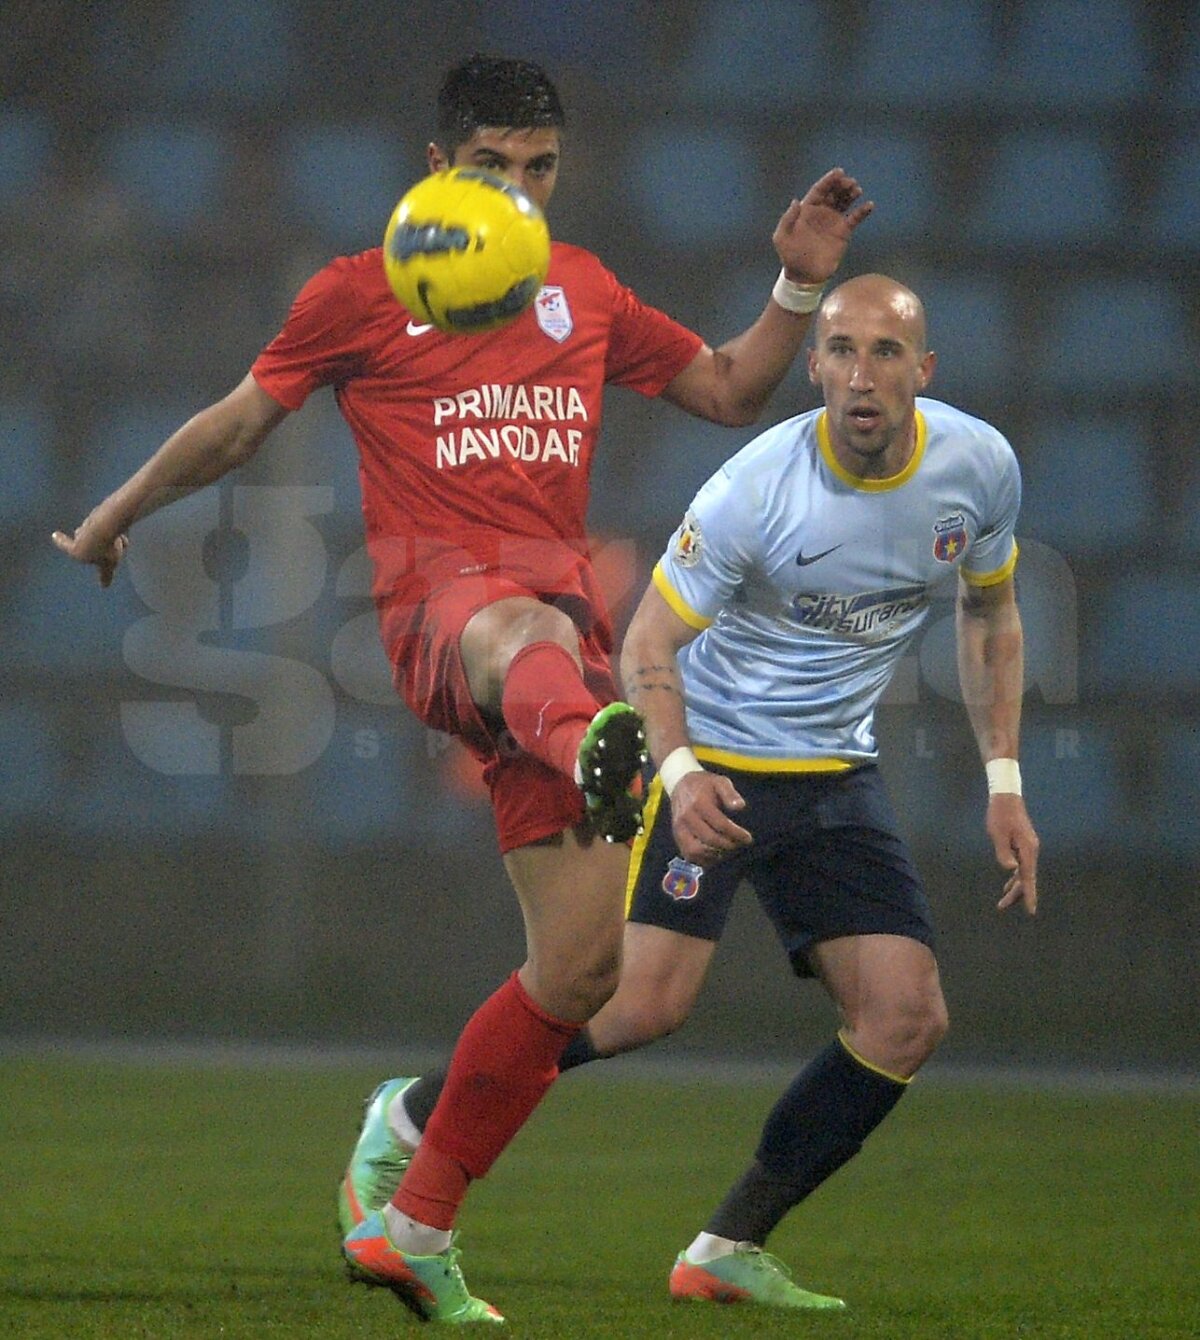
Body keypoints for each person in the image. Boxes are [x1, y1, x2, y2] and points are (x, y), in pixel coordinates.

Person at [53, 55, 871, 1324]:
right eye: (495, 165)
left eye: (540, 166)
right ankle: (595, 733)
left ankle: (414, 1212)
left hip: (563, 650)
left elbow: (722, 388)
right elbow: (234, 421)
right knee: (515, 625)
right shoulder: (360, 293)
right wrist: (113, 514)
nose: (522, 187)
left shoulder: (580, 288)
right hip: (449, 620)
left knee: (584, 970)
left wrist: (799, 281)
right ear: (444, 169)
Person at [348, 272, 1040, 1313]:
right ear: (813, 368)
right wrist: (677, 772)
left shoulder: (979, 467)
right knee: (635, 1005)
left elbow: (991, 613)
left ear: (923, 371)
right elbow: (646, 644)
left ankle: (725, 1245)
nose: (861, 373)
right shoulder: (754, 489)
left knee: (906, 1015)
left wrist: (1004, 780)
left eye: (885, 353)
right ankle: (410, 1119)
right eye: (841, 350)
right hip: (709, 753)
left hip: (835, 771)